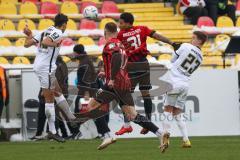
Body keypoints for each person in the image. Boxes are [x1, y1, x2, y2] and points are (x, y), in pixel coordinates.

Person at [80, 22, 170, 152]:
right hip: (124, 82)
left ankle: (107, 136)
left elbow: (116, 58)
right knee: (132, 115)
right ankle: (160, 133)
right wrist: (106, 73)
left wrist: (110, 78)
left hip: (114, 84)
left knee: (91, 106)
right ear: (116, 32)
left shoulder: (110, 44)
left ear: (105, 33)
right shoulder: (121, 45)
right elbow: (122, 62)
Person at [116, 12, 180, 135]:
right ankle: (148, 123)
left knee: (125, 95)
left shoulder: (120, 35)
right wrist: (172, 43)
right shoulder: (142, 29)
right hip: (144, 65)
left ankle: (127, 125)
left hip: (132, 67)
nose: (119, 25)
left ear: (128, 23)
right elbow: (157, 36)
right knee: (146, 94)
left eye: (121, 23)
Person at [24, 13, 76, 142]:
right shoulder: (58, 32)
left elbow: (27, 44)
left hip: (45, 66)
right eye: (66, 24)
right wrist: (57, 44)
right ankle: (52, 131)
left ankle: (72, 118)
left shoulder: (46, 30)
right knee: (49, 98)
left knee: (57, 92)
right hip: (45, 67)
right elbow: (47, 42)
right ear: (64, 24)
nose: (66, 27)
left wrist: (29, 34)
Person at [162, 31, 207, 148]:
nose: (191, 39)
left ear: (199, 41)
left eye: (194, 38)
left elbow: (172, 60)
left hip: (174, 81)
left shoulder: (185, 46)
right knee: (177, 112)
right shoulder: (201, 57)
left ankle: (166, 134)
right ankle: (186, 139)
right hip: (185, 85)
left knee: (167, 109)